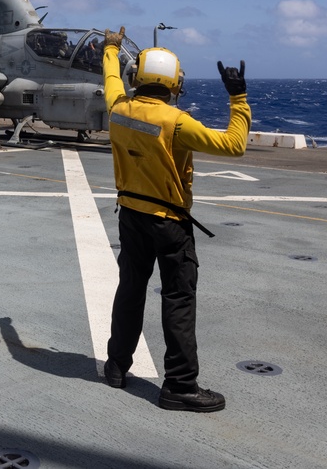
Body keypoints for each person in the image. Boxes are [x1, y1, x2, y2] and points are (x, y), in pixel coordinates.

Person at [101, 25, 250, 413]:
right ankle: (180, 386)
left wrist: (111, 49)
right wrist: (239, 98)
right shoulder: (177, 122)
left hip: (130, 216)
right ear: (175, 85)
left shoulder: (118, 109)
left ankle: (116, 366)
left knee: (130, 291)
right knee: (178, 300)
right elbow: (234, 146)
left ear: (138, 78)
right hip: (168, 223)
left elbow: (112, 79)